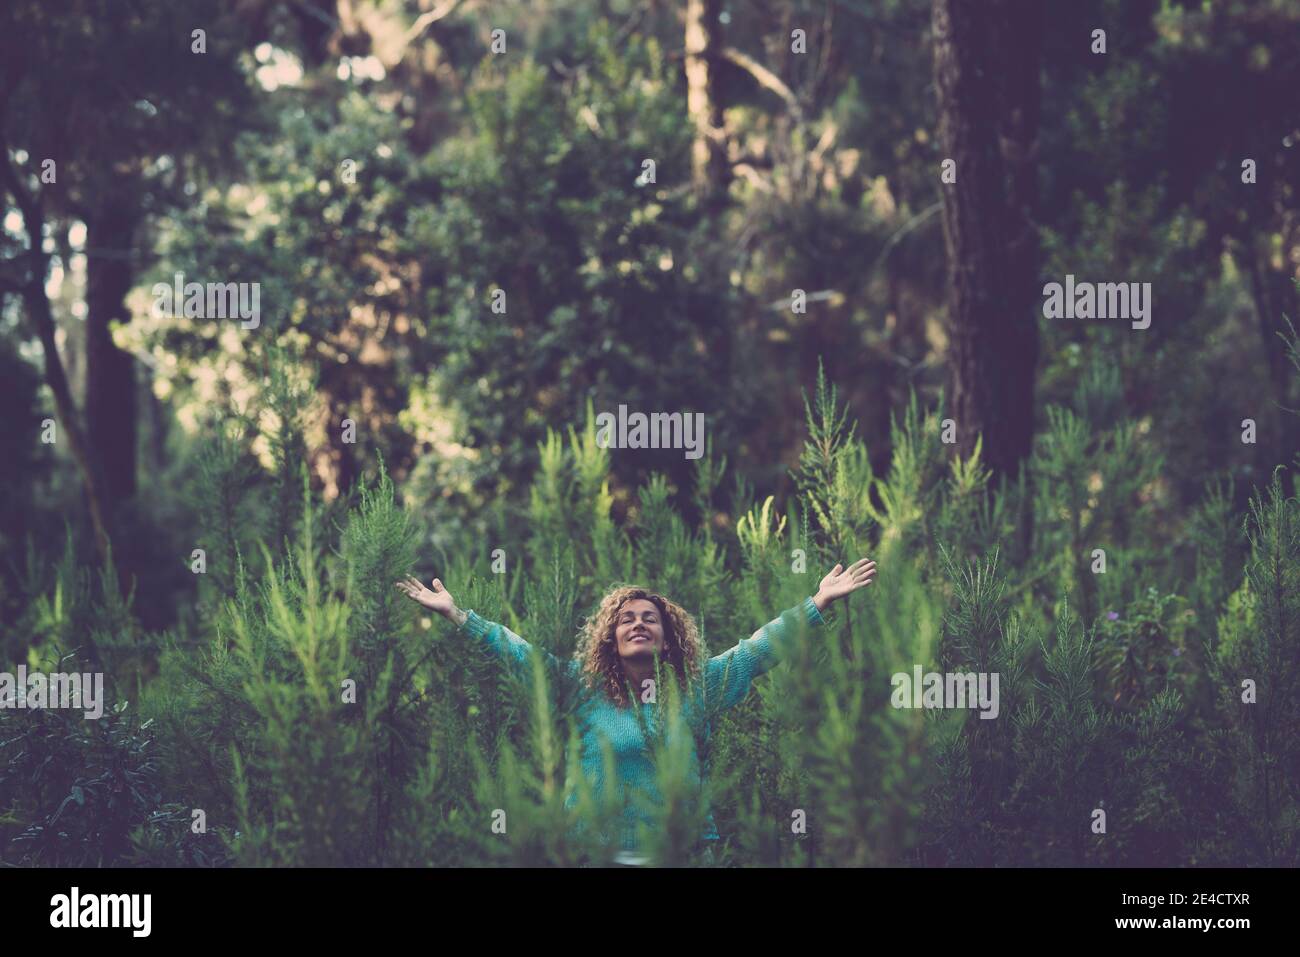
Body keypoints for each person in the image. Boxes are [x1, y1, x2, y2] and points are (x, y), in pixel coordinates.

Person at [396, 558, 876, 865]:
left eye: (650, 619)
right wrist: (459, 615)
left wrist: (817, 602)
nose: (639, 624)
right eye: (626, 619)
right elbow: (518, 652)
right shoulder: (578, 688)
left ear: (668, 637)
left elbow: (758, 649)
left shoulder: (698, 687)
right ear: (611, 636)